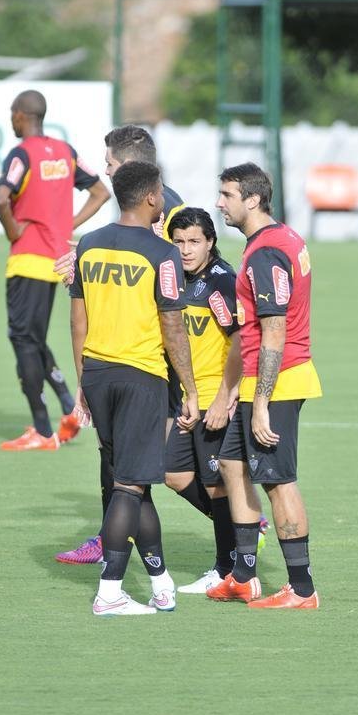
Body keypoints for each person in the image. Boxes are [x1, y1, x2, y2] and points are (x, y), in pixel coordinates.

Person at [70, 160, 199, 615]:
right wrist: (190, 389)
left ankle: (161, 581)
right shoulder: (160, 253)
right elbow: (172, 325)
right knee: (129, 484)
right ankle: (110, 592)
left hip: (99, 375)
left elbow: (78, 318)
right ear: (150, 197)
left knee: (135, 480)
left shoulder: (89, 244)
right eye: (162, 190)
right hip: (141, 377)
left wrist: (83, 378)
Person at [54, 125, 188, 565]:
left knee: (160, 471)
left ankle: (241, 524)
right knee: (124, 465)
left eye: (110, 164)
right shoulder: (121, 224)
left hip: (152, 357)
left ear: (131, 169)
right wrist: (85, 260)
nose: (106, 171)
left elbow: (182, 276)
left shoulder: (170, 214)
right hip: (122, 358)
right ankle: (116, 546)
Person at [207, 162, 322, 609]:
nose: (220, 203)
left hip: (277, 380)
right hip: (261, 378)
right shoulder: (280, 238)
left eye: (227, 195)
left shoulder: (266, 252)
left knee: (278, 481)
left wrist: (260, 402)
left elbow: (274, 330)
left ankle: (302, 589)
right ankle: (243, 575)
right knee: (232, 464)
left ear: (252, 199)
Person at [0, 89, 110, 451]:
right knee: (33, 337)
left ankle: (43, 430)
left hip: (28, 259)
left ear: (19, 116)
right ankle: (65, 402)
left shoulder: (21, 154)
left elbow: (1, 198)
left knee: (22, 339)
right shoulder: (64, 152)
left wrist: (13, 229)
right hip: (57, 260)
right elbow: (101, 192)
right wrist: (66, 226)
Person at [164, 207, 244, 593]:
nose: (185, 249)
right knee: (173, 474)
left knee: (216, 486)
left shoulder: (219, 284)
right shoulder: (175, 279)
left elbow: (242, 342)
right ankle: (244, 527)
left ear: (210, 243)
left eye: (194, 241)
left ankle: (226, 566)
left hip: (213, 398)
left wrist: (224, 398)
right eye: (178, 241)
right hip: (188, 398)